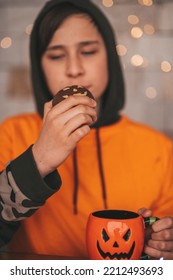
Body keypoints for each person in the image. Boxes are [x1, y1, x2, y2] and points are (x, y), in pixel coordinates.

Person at [0, 0, 173, 260]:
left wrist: (157, 245)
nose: (74, 69)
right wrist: (39, 158)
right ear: (40, 67)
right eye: (57, 55)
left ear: (110, 58)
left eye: (89, 51)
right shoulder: (10, 135)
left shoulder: (158, 148)